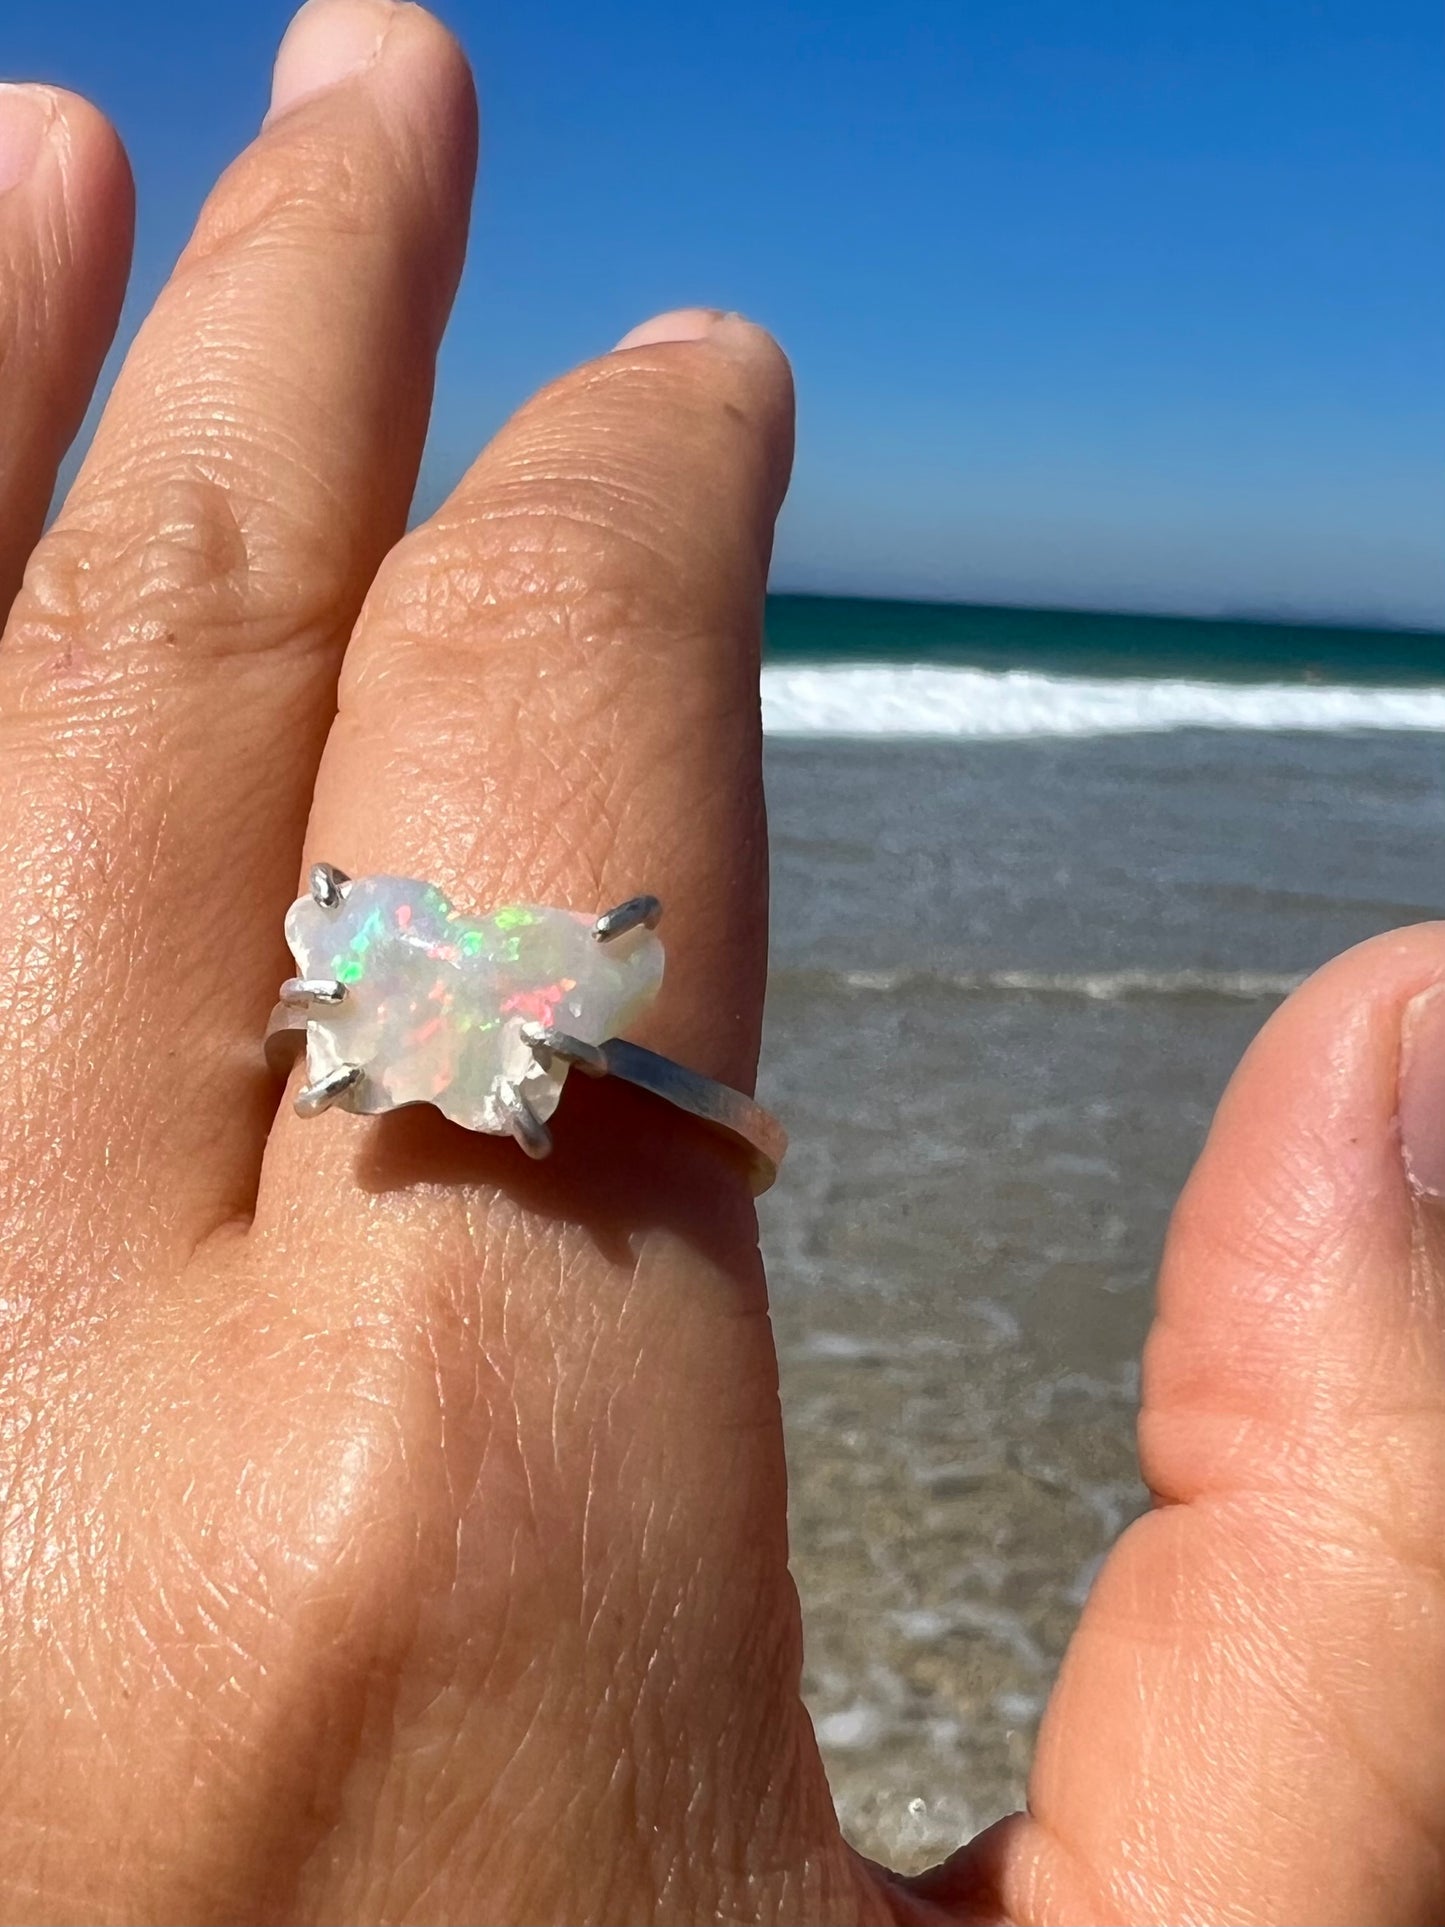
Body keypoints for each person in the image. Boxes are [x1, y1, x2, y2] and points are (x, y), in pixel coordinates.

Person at [0, 3, 1441, 1922]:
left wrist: (596, 1081)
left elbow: (500, 1029)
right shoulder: (400, 1020)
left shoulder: (483, 1029)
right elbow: (385, 1021)